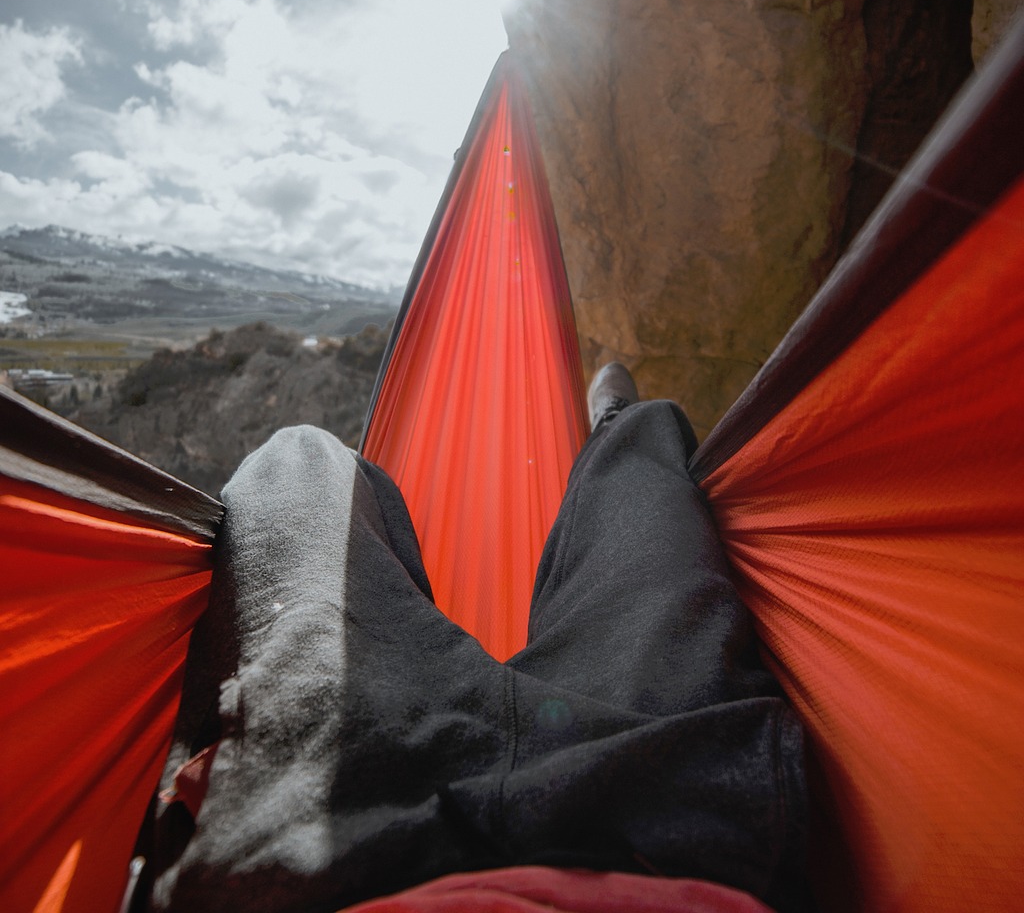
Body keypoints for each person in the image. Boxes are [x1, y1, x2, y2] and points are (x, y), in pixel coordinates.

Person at [144, 364, 811, 913]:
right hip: (664, 816)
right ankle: (615, 433)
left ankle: (395, 615)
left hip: (327, 834)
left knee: (300, 460)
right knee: (649, 442)